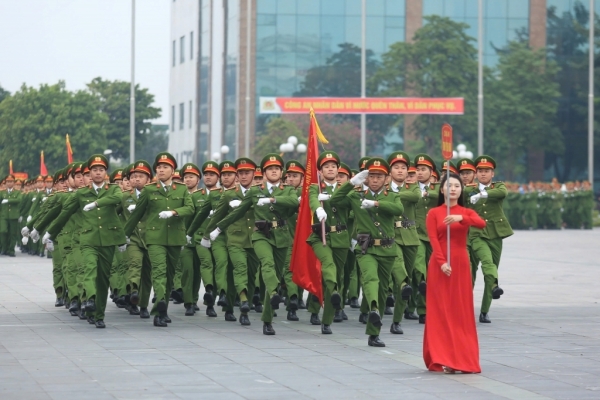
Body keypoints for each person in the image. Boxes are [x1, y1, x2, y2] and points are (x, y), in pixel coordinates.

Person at [331, 158, 404, 347]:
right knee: (370, 279)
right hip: (366, 248)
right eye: (371, 176)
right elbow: (335, 200)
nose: (374, 180)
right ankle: (372, 308)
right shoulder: (356, 196)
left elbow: (398, 209)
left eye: (379, 176)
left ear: (386, 179)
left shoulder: (391, 195)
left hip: (387, 248)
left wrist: (376, 204)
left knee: (381, 290)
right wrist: (351, 183)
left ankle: (374, 333)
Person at [423, 172, 485, 374]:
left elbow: (481, 223)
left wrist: (461, 217)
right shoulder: (434, 213)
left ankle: (462, 357)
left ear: (462, 189)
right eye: (449, 186)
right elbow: (433, 240)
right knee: (441, 310)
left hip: (460, 263)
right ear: (442, 189)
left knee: (460, 311)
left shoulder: (466, 212)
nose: (452, 189)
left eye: (457, 186)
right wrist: (441, 262)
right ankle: (443, 357)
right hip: (440, 265)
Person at [124, 152, 194, 327]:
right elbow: (136, 215)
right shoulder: (149, 190)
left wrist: (174, 212)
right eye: (159, 167)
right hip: (154, 238)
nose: (161, 170)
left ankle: (164, 307)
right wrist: (124, 235)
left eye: (165, 167)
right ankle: (158, 310)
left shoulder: (183, 189)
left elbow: (190, 208)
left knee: (170, 275)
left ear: (173, 170)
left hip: (175, 238)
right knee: (159, 271)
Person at [465, 156, 512, 323]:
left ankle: (485, 310)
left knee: (491, 271)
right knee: (485, 264)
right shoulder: (468, 189)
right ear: (476, 174)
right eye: (480, 171)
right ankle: (466, 307)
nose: (483, 174)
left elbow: (502, 193)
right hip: (476, 234)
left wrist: (482, 195)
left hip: (496, 234)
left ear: (492, 173)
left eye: (487, 171)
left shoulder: (497, 186)